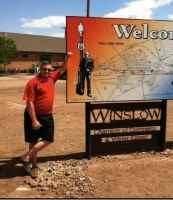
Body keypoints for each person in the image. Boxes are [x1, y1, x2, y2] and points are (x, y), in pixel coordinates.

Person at [19, 58, 67, 178]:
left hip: (47, 115)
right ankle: (33, 166)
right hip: (34, 115)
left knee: (49, 139)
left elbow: (62, 69)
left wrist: (68, 57)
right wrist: (34, 120)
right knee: (33, 141)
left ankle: (26, 157)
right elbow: (29, 103)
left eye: (49, 69)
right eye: (44, 69)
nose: (46, 71)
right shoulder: (32, 82)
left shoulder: (52, 78)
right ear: (40, 69)